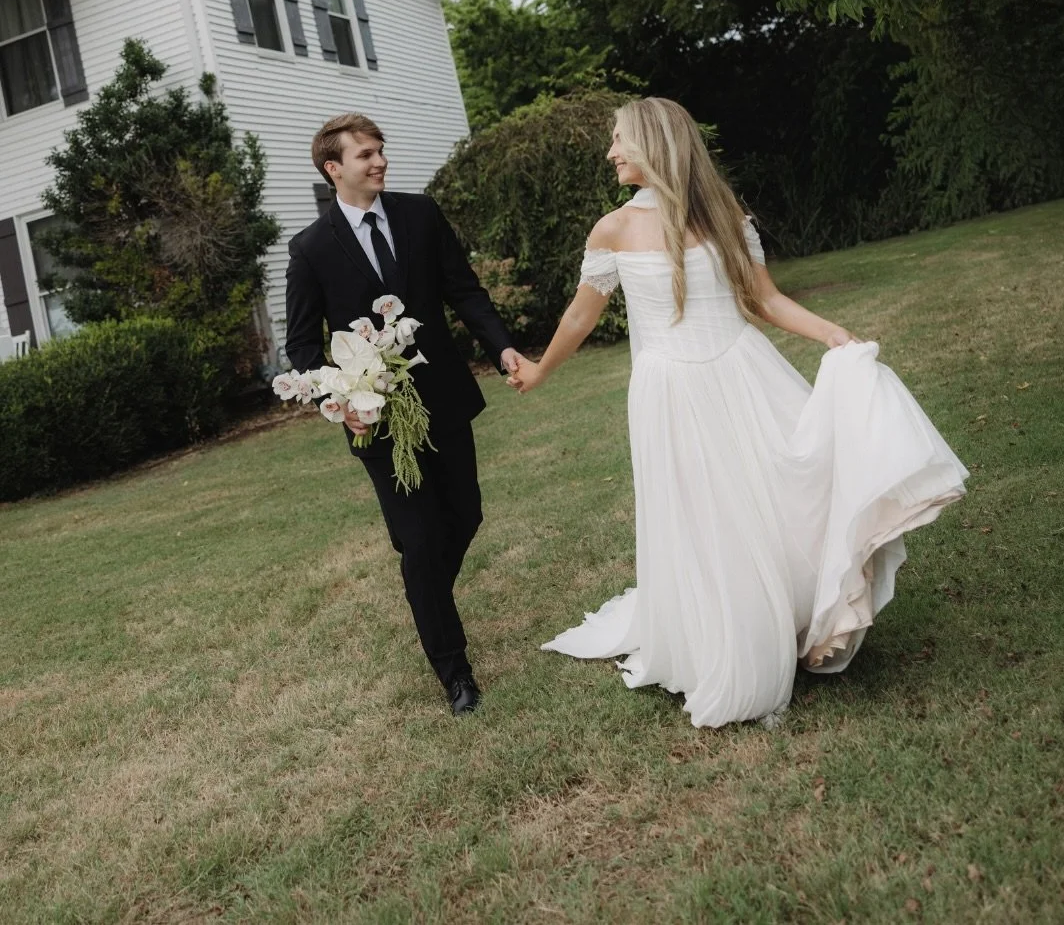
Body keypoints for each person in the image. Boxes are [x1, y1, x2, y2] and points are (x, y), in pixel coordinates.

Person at [508, 97, 967, 729]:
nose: (610, 151)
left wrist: (831, 332)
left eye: (620, 140)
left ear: (655, 144)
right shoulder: (612, 229)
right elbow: (581, 314)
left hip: (743, 373)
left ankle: (798, 613)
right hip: (670, 392)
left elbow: (765, 299)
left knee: (776, 491)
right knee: (703, 513)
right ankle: (725, 639)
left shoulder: (725, 214)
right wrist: (539, 367)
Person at [285, 112, 526, 716]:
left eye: (380, 151)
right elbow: (303, 345)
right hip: (375, 418)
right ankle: (455, 672)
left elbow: (464, 289)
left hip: (443, 397)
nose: (379, 161)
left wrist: (501, 347)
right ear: (333, 168)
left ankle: (426, 601)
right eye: (365, 154)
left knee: (464, 516)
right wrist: (337, 403)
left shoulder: (421, 214)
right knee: (420, 541)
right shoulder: (310, 249)